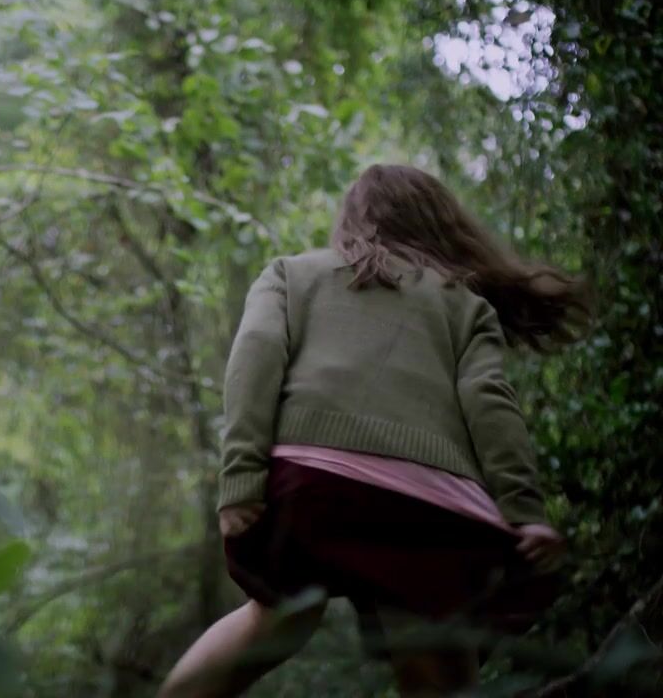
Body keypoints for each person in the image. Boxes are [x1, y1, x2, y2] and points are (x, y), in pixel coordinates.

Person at [159, 164, 589, 697]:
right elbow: (491, 405)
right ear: (440, 226)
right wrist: (524, 511)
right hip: (425, 502)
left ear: (351, 220)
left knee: (278, 614)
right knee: (426, 632)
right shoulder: (464, 305)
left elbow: (254, 360)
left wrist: (241, 480)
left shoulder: (290, 273)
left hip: (308, 482)